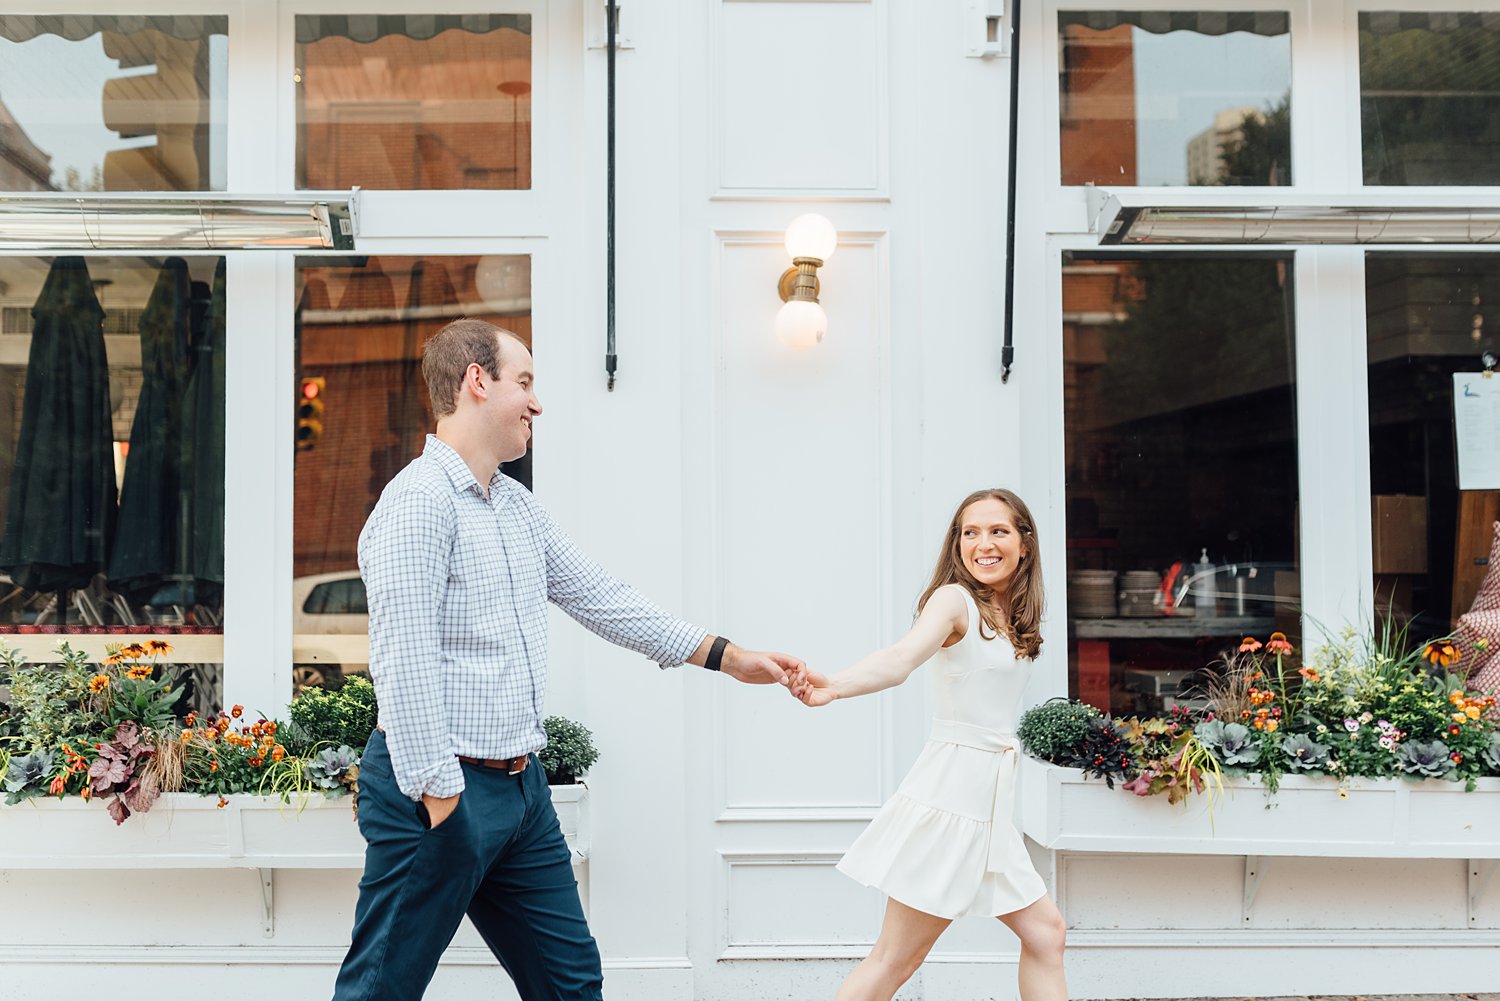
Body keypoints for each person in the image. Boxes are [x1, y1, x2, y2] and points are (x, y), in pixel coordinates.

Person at [332, 318, 803, 1001]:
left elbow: (606, 599)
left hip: (522, 793)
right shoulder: (417, 504)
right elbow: (403, 663)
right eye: (524, 382)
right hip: (435, 791)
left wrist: (729, 658)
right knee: (381, 987)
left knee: (571, 984)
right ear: (476, 381)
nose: (536, 401)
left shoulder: (515, 507)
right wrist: (443, 803)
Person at [787, 489, 1068, 1001]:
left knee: (1047, 935)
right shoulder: (953, 600)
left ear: (1024, 544)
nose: (983, 544)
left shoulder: (1012, 613)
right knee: (896, 960)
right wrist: (836, 685)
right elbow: (901, 658)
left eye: (998, 531)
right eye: (970, 532)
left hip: (992, 806)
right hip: (952, 800)